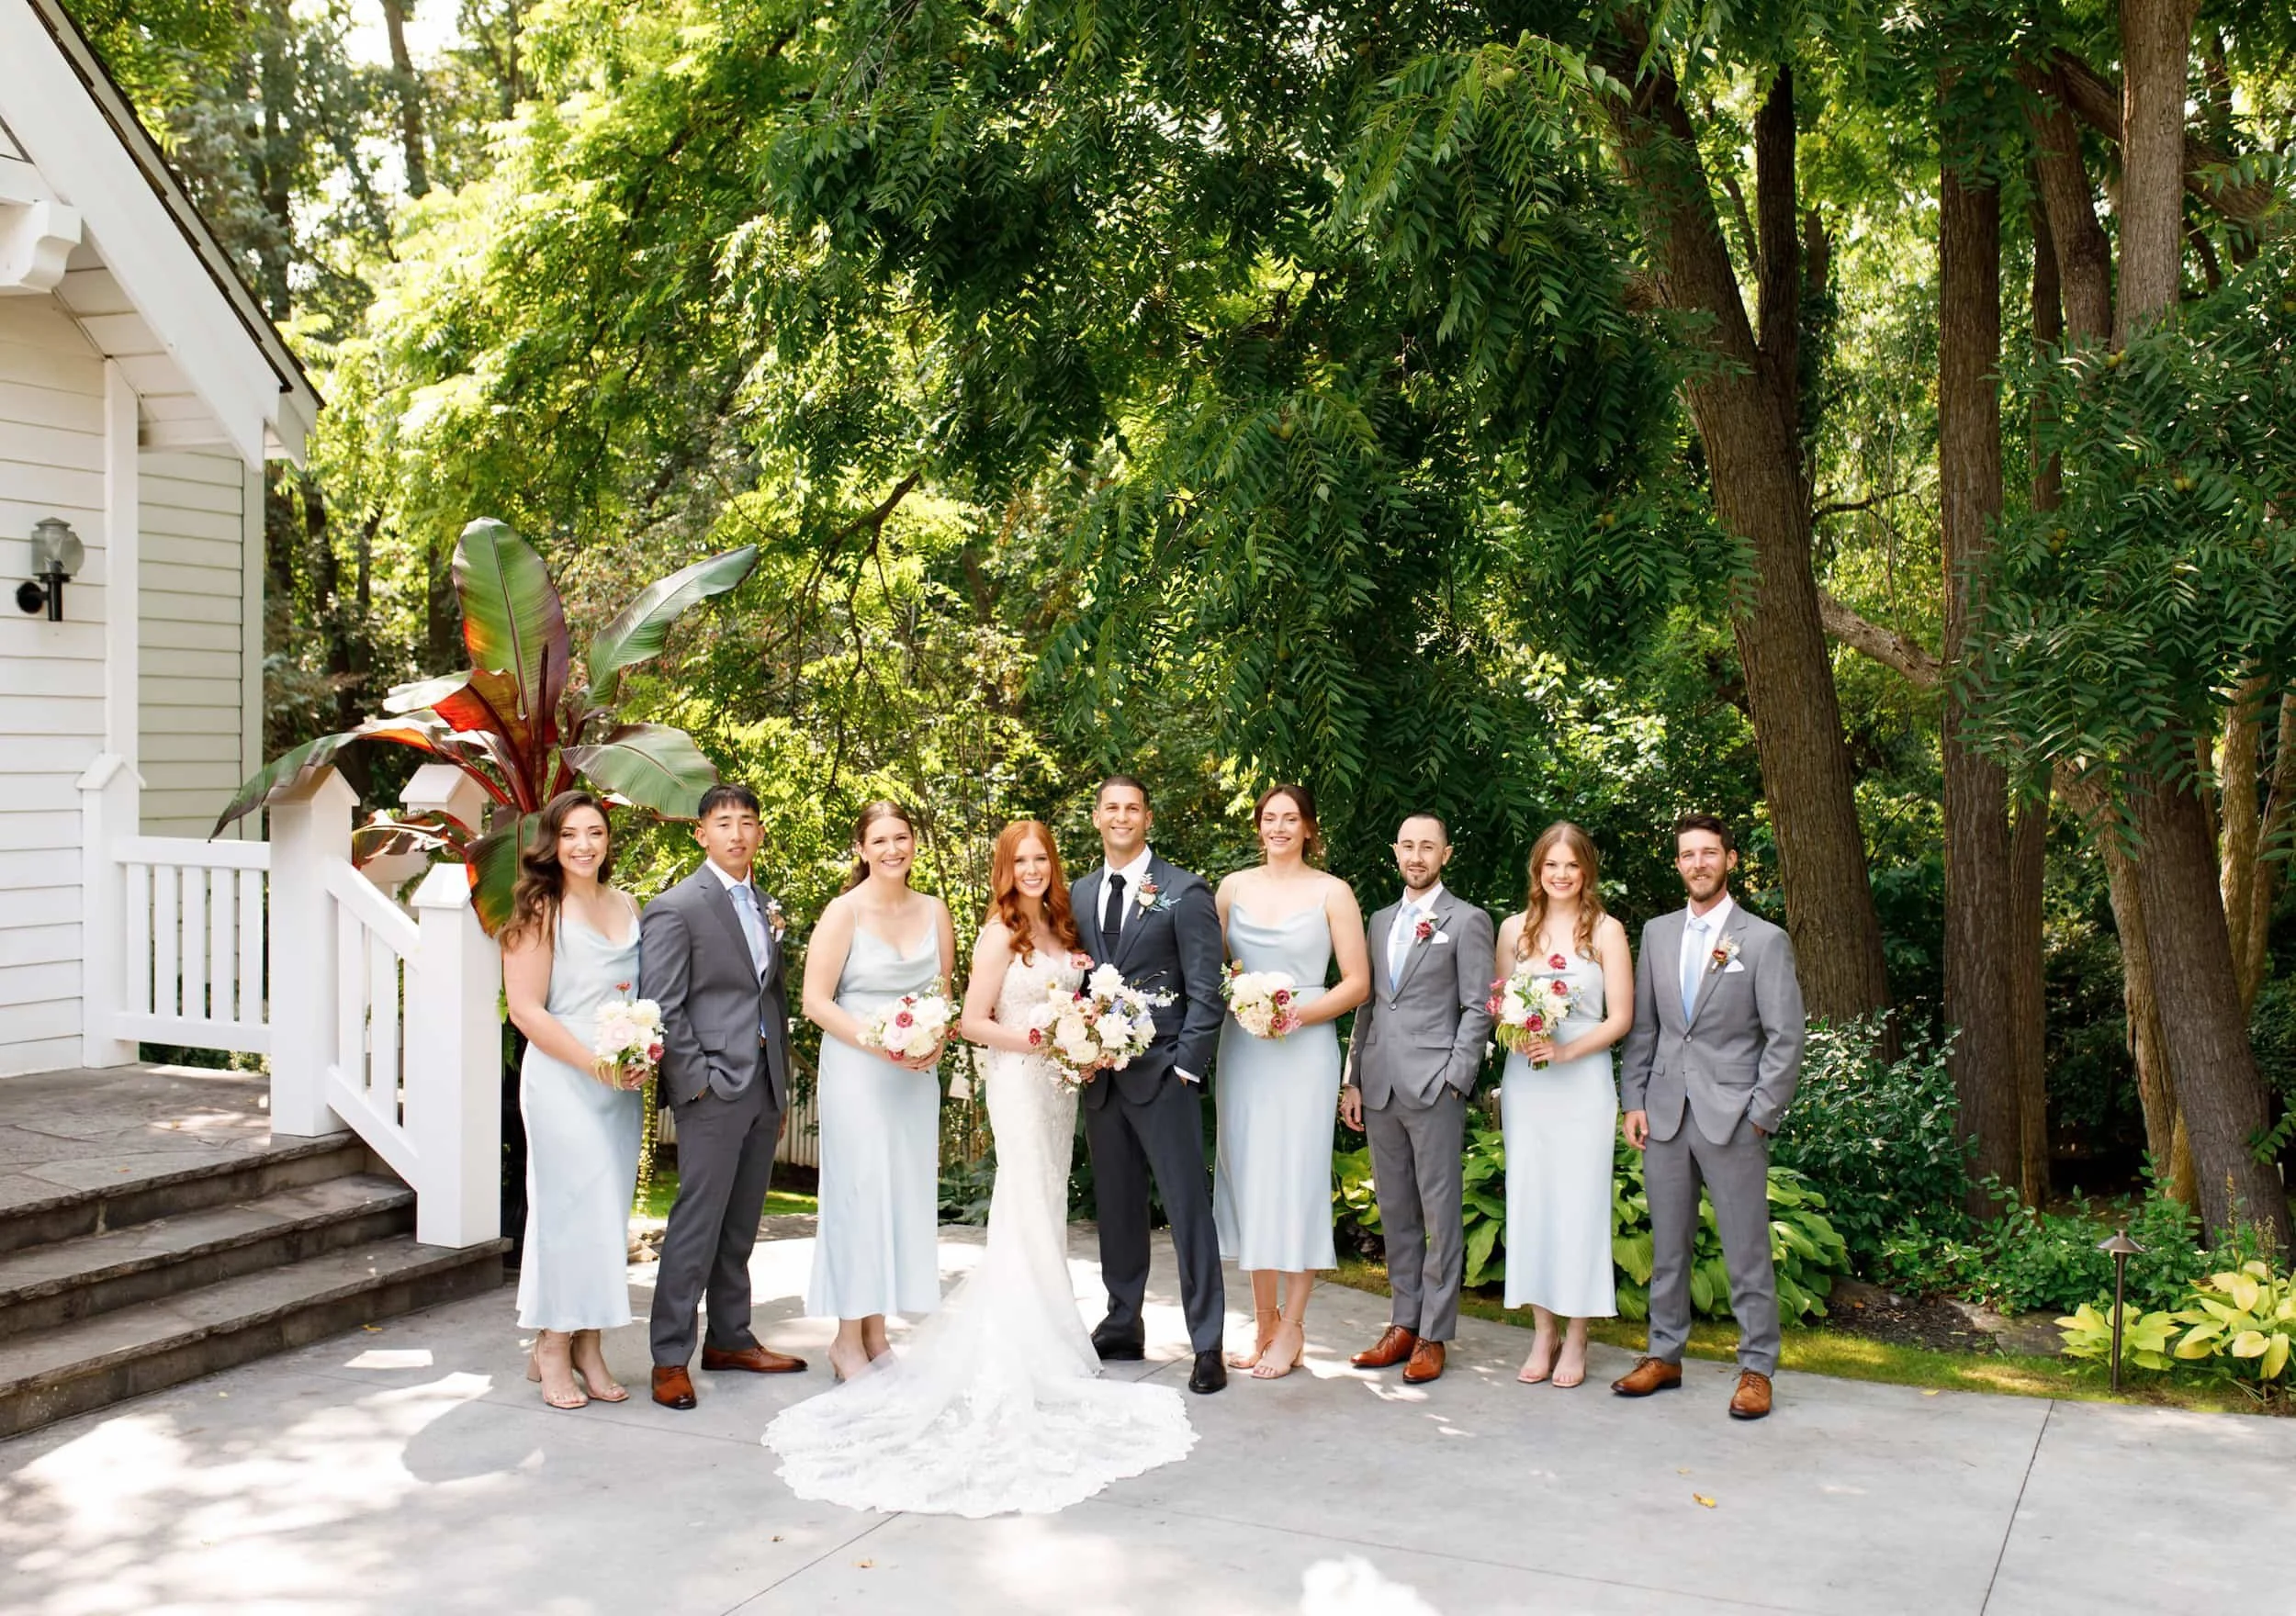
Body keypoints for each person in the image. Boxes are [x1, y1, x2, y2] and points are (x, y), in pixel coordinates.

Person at [763, 822, 1195, 1514]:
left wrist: (1085, 1038)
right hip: (1010, 1083)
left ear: (1053, 865)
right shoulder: (996, 932)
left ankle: (1020, 1334)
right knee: (1010, 1202)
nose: (1030, 868)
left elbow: (959, 1005)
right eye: (1018, 859)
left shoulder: (1053, 927)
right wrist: (1036, 1038)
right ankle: (953, 1341)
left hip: (1044, 1087)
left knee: (1040, 1205)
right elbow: (967, 1016)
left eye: (1040, 858)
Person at [1614, 813, 1806, 1420]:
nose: (1698, 863)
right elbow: (1645, 1028)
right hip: (1666, 1112)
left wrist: (1761, 1115)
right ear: (1678, 864)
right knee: (1667, 1247)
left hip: (1733, 1117)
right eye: (1687, 854)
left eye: (1709, 852)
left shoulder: (1764, 939)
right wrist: (1634, 1101)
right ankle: (1664, 1355)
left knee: (1745, 1248)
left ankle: (1756, 1368)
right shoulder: (1657, 934)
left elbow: (1786, 1037)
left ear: (1730, 859)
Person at [644, 782, 808, 1410]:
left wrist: (780, 1078)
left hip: (763, 1083)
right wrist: (699, 1080)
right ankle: (668, 1357)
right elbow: (662, 1003)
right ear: (701, 833)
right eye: (723, 823)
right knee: (696, 1224)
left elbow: (770, 996)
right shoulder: (677, 906)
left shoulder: (764, 903)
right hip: (713, 1087)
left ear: (760, 832)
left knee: (741, 1224)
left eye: (747, 821)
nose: (736, 833)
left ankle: (731, 1337)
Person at [1069, 775, 1231, 1395]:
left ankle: (1208, 1342)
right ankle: (1122, 1321)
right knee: (1116, 1208)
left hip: (1164, 1074)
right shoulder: (1080, 893)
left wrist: (1187, 1065)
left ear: (1148, 817)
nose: (1121, 817)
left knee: (1188, 1210)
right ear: (1096, 817)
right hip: (1102, 1079)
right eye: (1110, 807)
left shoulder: (1184, 892)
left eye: (1132, 807)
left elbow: (1205, 987)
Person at [1212, 784, 1369, 1379]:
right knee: (1251, 1176)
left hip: (1304, 1046)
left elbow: (1356, 982)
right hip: (1246, 1048)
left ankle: (1296, 1325)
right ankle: (1264, 1321)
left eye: (1290, 818)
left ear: (1308, 827)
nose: (1279, 827)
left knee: (1298, 1179)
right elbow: (1214, 967)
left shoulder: (1333, 892)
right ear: (1259, 826)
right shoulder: (1232, 888)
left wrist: (1295, 1015)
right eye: (1269, 817)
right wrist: (1243, 1002)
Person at [799, 800, 958, 1383]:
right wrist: (878, 1041)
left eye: (903, 837)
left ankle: (876, 1331)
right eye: (881, 840)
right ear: (862, 850)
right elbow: (815, 1001)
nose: (894, 849)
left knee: (901, 1197)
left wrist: (932, 1042)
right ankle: (845, 1339)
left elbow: (942, 995)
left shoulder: (935, 910)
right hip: (859, 1073)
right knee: (859, 1197)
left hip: (913, 1078)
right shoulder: (844, 912)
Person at [501, 791, 647, 1409]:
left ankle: (590, 1343)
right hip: (565, 1080)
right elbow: (526, 1010)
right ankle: (553, 1343)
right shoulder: (540, 908)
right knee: (567, 1214)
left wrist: (637, 1053)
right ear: (551, 844)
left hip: (618, 1086)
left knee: (605, 1217)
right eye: (570, 835)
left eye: (595, 832)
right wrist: (594, 1063)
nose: (584, 845)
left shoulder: (626, 902)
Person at [1340, 811, 1495, 1386]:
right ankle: (1402, 1322)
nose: (1417, 856)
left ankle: (1435, 1333)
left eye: (1428, 847)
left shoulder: (1468, 920)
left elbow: (1479, 1006)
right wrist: (1352, 1076)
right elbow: (1367, 1003)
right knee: (1396, 1211)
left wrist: (1457, 1077)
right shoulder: (1379, 921)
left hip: (1435, 1085)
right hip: (1378, 1082)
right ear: (1395, 851)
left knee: (1440, 1212)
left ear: (1446, 855)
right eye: (1408, 846)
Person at [1497, 822, 1633, 1388]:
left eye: (1571, 865)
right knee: (1531, 1199)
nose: (1560, 875)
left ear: (1586, 871)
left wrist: (1566, 1048)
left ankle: (1578, 1335)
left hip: (1582, 1080)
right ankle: (1543, 1329)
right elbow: (1501, 1005)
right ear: (1538, 870)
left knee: (1580, 1203)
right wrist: (1521, 1031)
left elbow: (1621, 1017)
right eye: (1551, 865)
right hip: (1528, 1080)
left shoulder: (1606, 931)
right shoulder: (1513, 931)